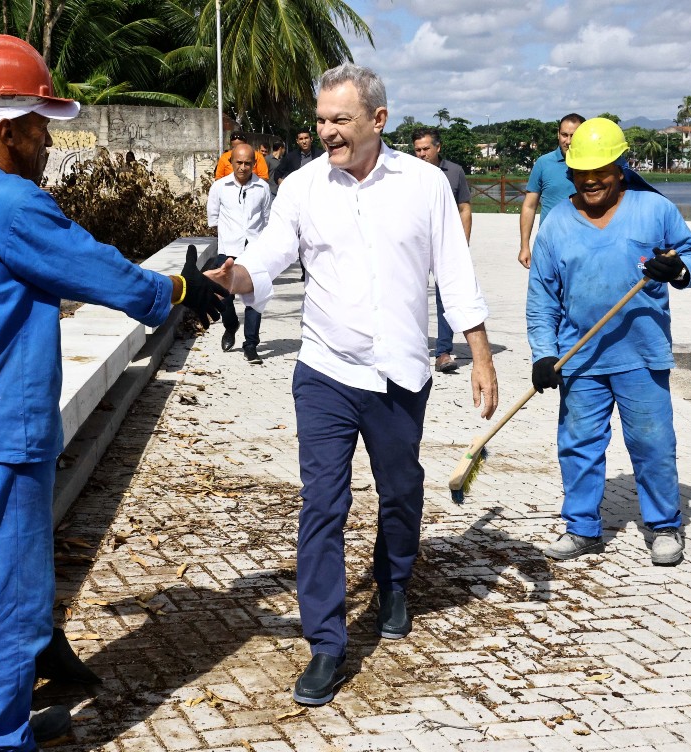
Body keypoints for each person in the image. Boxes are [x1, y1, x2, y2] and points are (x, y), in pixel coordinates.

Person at [0, 34, 226, 752]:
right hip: (10, 433)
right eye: (40, 129)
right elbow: (103, 272)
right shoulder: (15, 205)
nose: (46, 145)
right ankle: (2, 739)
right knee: (1, 595)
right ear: (5, 129)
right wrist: (183, 286)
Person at [205, 63, 499, 707]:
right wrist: (238, 277)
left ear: (378, 120)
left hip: (399, 372)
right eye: (321, 120)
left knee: (400, 488)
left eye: (341, 119)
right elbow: (272, 251)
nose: (328, 132)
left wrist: (480, 354)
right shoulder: (305, 186)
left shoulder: (425, 186)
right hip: (326, 371)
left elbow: (454, 270)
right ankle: (326, 644)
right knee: (322, 503)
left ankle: (394, 579)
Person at [526, 117, 691, 567]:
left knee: (652, 443)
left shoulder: (654, 209)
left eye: (600, 171)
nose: (591, 181)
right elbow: (542, 299)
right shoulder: (554, 226)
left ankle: (664, 527)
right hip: (579, 357)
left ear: (620, 167)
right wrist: (544, 353)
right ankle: (581, 527)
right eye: (581, 172)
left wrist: (679, 271)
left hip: (642, 356)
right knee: (579, 443)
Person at [412, 127, 473, 374]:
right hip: (414, 244)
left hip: (444, 244)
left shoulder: (455, 172)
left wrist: (462, 245)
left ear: (438, 147)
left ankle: (443, 351)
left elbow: (465, 209)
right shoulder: (407, 172)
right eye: (417, 150)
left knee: (445, 298)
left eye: (426, 149)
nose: (422, 154)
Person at [207, 143, 272, 363]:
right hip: (227, 249)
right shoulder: (219, 187)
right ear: (230, 162)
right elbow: (213, 217)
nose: (243, 167)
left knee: (255, 298)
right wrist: (228, 238)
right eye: (239, 162)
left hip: (254, 251)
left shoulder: (262, 188)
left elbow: (267, 219)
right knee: (222, 296)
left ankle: (251, 345)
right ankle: (231, 325)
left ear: (254, 164)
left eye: (247, 163)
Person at [518, 113, 584, 268]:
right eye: (564, 135)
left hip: (584, 242)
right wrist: (525, 246)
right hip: (549, 243)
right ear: (558, 134)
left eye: (574, 136)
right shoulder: (543, 163)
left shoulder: (595, 165)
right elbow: (529, 206)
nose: (568, 141)